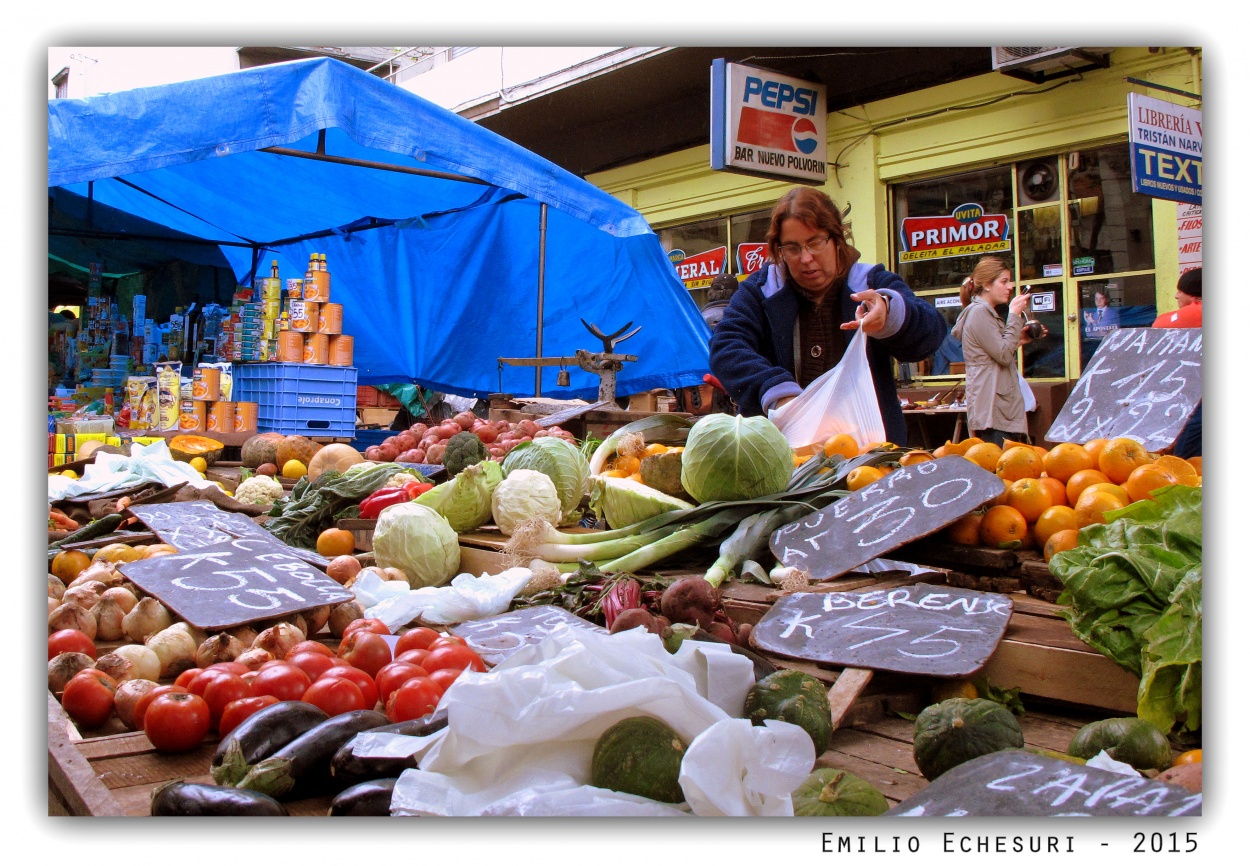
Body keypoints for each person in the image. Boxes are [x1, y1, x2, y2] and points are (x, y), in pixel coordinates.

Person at [709, 188, 947, 446]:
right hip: (778, 456)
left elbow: (932, 332)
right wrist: (776, 391)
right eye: (792, 248)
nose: (806, 258)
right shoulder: (761, 290)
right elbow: (726, 347)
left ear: (836, 239)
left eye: (815, 243)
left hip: (869, 453)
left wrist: (890, 316)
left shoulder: (869, 281)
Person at [951, 256, 1031, 448]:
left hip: (999, 406)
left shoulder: (986, 313)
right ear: (986, 285)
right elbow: (1002, 355)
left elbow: (994, 352)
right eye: (1003, 281)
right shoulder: (979, 312)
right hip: (992, 408)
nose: (1010, 287)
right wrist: (1014, 315)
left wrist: (1018, 338)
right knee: (1000, 468)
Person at [1153, 268, 1202, 458]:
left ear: (1193, 296)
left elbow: (1159, 325)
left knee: (1186, 454)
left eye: (1180, 291)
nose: (1175, 296)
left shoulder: (1198, 312)